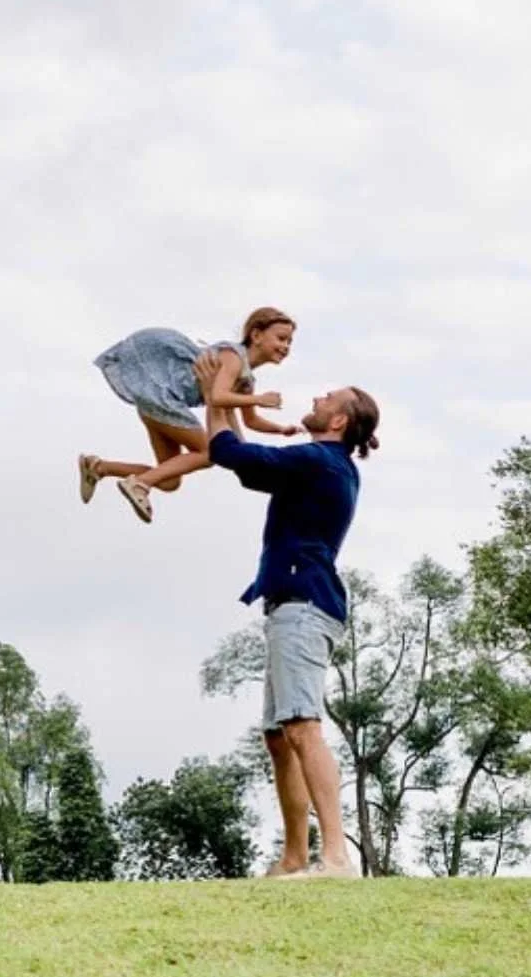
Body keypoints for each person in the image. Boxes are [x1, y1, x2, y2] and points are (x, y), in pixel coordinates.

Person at [200, 351, 381, 878]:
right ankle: (294, 858)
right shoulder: (322, 467)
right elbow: (245, 461)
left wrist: (218, 394)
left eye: (329, 399)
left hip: (304, 606)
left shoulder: (319, 460)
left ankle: (336, 858)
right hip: (294, 606)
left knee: (302, 728)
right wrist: (226, 401)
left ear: (340, 421)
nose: (318, 399)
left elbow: (230, 453)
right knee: (280, 737)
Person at [79, 306, 301, 524]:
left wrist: (281, 430)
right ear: (256, 335)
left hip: (158, 405)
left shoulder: (245, 380)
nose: (285, 346)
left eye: (289, 342)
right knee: (210, 452)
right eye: (281, 338)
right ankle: (140, 483)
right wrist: (259, 399)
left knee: (169, 481)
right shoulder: (232, 356)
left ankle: (99, 467)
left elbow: (250, 421)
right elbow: (218, 397)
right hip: (162, 395)